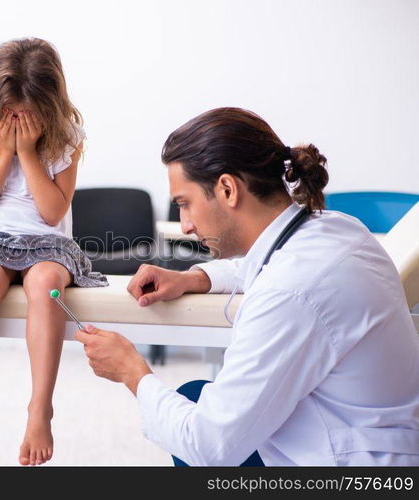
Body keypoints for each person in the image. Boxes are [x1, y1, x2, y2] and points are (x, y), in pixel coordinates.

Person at [76, 107, 419, 466]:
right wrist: (196, 277)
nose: (186, 225)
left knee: (192, 428)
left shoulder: (288, 294)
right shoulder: (336, 229)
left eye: (185, 204)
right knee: (194, 395)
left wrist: (133, 371)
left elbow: (209, 448)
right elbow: (264, 263)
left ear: (227, 189)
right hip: (378, 435)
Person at [0, 38, 107, 467]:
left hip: (47, 240)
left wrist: (28, 154)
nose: (17, 122)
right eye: (9, 114)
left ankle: (40, 408)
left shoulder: (67, 138)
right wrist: (4, 153)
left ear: (49, 105)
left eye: (28, 114)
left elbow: (53, 210)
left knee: (46, 284)